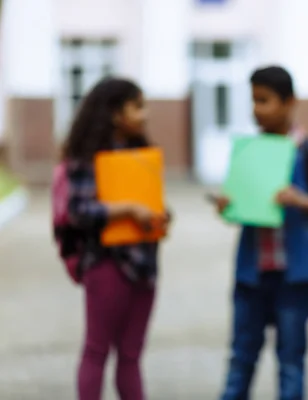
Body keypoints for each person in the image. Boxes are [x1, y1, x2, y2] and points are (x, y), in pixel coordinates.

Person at [215, 66, 308, 400]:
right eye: (253, 100)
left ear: (289, 103)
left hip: (293, 278)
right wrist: (228, 204)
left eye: (264, 100)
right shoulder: (248, 151)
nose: (257, 108)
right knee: (240, 360)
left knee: (290, 362)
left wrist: (303, 201)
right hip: (251, 276)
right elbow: (238, 209)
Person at [55, 77, 170, 400]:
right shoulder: (86, 157)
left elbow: (151, 206)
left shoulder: (143, 155)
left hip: (145, 264)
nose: (145, 114)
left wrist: (160, 217)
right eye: (137, 107)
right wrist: (129, 210)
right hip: (105, 264)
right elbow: (78, 211)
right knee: (96, 351)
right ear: (115, 113)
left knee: (132, 356)